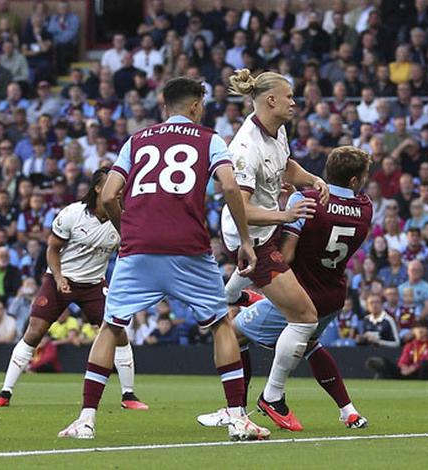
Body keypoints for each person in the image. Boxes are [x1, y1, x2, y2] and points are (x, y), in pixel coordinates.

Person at [57, 78, 269, 441]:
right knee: (220, 323)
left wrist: (130, 231)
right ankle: (237, 417)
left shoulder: (136, 140)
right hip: (188, 246)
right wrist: (246, 240)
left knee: (111, 325)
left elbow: (109, 196)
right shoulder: (209, 139)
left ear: (163, 105)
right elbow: (230, 187)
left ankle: (86, 420)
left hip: (139, 248)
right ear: (195, 107)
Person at [199, 146, 374, 431]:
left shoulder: (305, 199)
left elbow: (287, 255)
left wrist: (285, 207)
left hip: (300, 295)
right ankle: (349, 411)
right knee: (309, 346)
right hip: (332, 294)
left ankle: (237, 409)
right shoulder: (365, 207)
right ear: (354, 181)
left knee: (232, 334)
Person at [221, 69, 332, 429]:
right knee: (304, 316)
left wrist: (313, 178)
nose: (294, 102)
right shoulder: (245, 147)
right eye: (289, 96)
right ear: (271, 100)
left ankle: (234, 295)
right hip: (247, 235)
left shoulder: (277, 131)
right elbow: (240, 205)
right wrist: (285, 212)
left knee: (285, 309)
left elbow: (285, 166)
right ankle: (272, 399)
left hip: (266, 226)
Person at [0, 168, 144, 410]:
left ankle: (129, 395)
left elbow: (131, 252)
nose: (119, 189)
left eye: (121, 186)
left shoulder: (122, 220)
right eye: (113, 184)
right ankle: (5, 392)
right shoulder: (72, 213)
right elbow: (52, 249)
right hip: (60, 280)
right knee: (35, 330)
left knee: (117, 330)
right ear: (98, 189)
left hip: (93, 284)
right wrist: (59, 277)